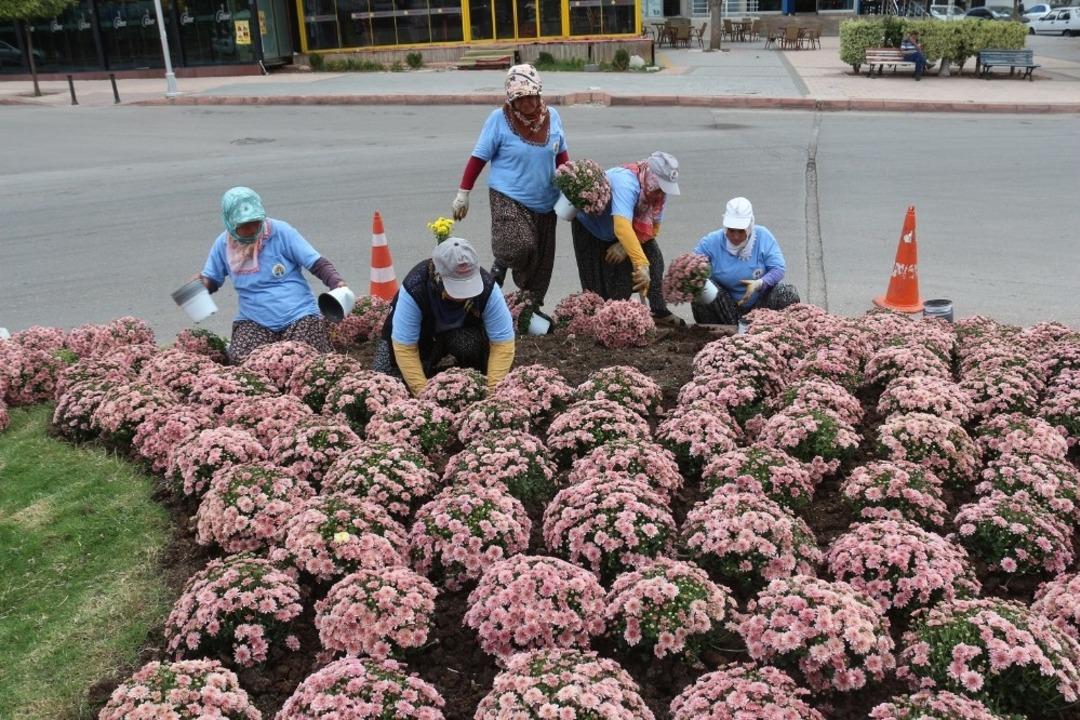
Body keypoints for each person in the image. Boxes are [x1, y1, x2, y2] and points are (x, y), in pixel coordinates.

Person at [451, 64, 568, 311]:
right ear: (511, 100)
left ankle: (528, 312)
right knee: (519, 244)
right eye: (520, 98)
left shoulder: (553, 116)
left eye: (531, 96)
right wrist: (464, 193)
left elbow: (562, 156)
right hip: (508, 195)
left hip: (546, 201)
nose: (527, 103)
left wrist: (571, 185)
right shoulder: (498, 119)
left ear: (539, 93)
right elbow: (478, 157)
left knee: (541, 263)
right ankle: (499, 267)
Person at [198, 186, 349, 364]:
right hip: (254, 319)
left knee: (305, 359)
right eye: (244, 226)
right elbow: (212, 279)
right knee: (243, 362)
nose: (253, 229)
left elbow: (316, 262)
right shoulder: (223, 244)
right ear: (230, 223)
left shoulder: (281, 232)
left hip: (298, 314)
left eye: (256, 222)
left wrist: (336, 283)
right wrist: (201, 285)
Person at [373, 238, 515, 396]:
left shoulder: (488, 287)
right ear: (437, 275)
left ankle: (472, 372)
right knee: (383, 376)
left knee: (469, 345)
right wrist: (423, 395)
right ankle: (427, 365)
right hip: (422, 337)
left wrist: (493, 394)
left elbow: (503, 343)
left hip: (459, 334)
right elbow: (405, 347)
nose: (462, 296)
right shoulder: (415, 287)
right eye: (456, 286)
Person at [570, 151, 686, 327]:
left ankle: (657, 310)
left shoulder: (657, 194)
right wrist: (640, 263)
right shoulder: (626, 182)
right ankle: (613, 320)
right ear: (652, 178)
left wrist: (625, 248)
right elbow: (622, 227)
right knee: (607, 286)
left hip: (624, 232)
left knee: (654, 257)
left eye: (664, 189)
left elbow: (653, 229)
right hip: (593, 230)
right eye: (660, 188)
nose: (661, 195)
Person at [690, 197, 800, 326]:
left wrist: (759, 283)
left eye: (741, 231)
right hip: (726, 308)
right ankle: (717, 333)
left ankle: (771, 332)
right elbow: (692, 265)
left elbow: (778, 269)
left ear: (750, 226)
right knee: (700, 288)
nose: (736, 236)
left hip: (760, 306)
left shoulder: (763, 236)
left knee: (787, 292)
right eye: (731, 230)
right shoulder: (711, 241)